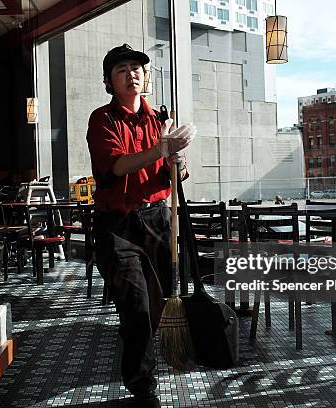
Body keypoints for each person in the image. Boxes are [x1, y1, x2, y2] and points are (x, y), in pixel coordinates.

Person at [86, 44, 196, 406]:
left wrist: (176, 157)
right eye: (122, 69)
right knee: (135, 308)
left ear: (146, 76)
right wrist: (162, 149)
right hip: (117, 225)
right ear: (109, 82)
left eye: (137, 67)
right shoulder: (102, 119)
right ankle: (142, 386)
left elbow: (175, 174)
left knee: (160, 303)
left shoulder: (160, 120)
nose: (132, 73)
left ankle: (151, 355)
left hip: (158, 219)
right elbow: (117, 167)